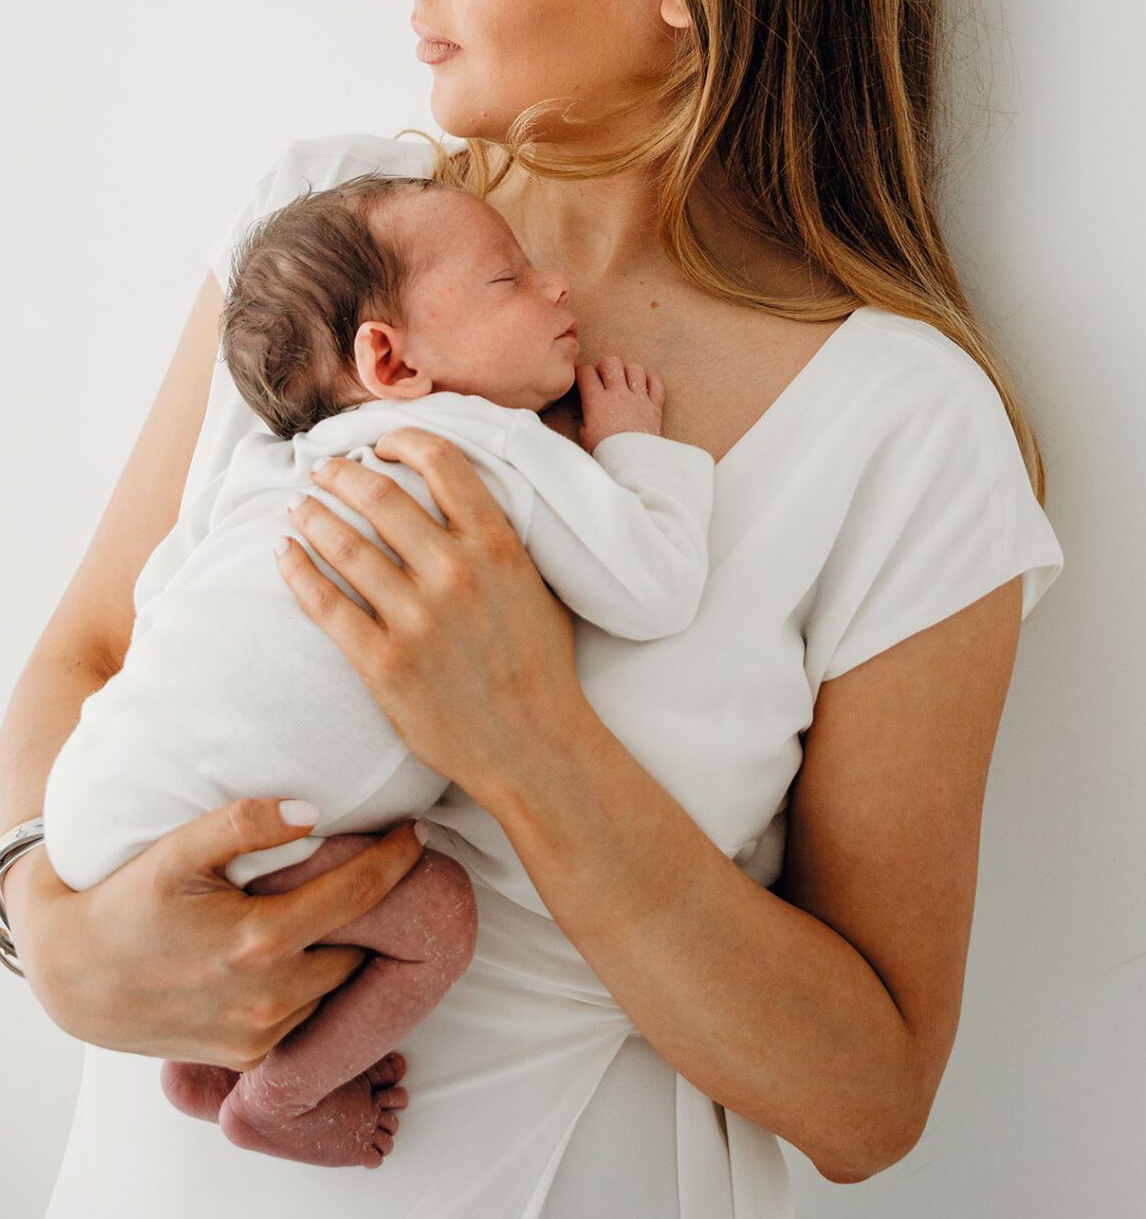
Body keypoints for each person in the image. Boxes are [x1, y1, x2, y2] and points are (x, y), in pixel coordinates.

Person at [0, 0, 1066, 1219]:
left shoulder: (897, 426)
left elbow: (868, 1098)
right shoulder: (324, 237)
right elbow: (90, 645)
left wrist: (516, 733)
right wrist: (38, 918)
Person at [38, 169, 713, 1166]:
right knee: (436, 914)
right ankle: (284, 1092)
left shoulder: (279, 464)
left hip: (89, 799)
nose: (557, 286)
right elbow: (652, 586)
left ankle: (204, 1059)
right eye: (509, 279)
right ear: (391, 360)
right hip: (210, 828)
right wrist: (633, 451)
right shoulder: (482, 443)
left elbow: (159, 597)